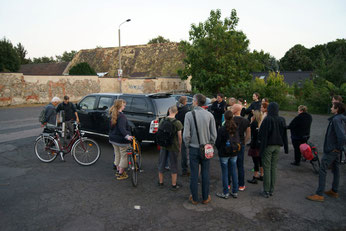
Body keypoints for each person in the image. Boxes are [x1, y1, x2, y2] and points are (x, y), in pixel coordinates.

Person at [307, 102, 346, 202]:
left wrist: (337, 147)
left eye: (333, 107)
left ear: (337, 109)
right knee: (336, 169)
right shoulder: (341, 118)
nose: (331, 108)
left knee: (322, 169)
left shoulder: (336, 119)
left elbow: (341, 136)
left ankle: (319, 194)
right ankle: (334, 190)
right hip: (335, 150)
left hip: (331, 150)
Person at [183, 94, 217, 205]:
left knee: (194, 174)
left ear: (196, 102)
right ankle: (205, 197)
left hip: (193, 147)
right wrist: (210, 144)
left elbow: (186, 135)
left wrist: (188, 145)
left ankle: (194, 198)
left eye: (193, 100)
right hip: (206, 148)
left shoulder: (189, 115)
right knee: (205, 173)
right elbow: (214, 134)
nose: (192, 101)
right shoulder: (209, 115)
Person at [258, 102, 288, 198]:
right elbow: (284, 134)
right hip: (278, 146)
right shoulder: (281, 119)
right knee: (274, 167)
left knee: (266, 168)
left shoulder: (268, 119)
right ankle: (271, 189)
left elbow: (261, 133)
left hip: (268, 146)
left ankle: (266, 190)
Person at [158, 105, 183, 190]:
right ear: (177, 112)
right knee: (173, 165)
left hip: (163, 145)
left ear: (169, 110)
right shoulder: (177, 123)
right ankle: (173, 185)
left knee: (162, 163)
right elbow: (179, 137)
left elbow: (160, 131)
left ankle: (161, 182)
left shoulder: (162, 120)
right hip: (173, 146)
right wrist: (180, 146)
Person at [215, 110, 239, 199]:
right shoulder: (235, 127)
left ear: (224, 117)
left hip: (224, 153)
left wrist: (219, 149)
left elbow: (218, 142)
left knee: (225, 173)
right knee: (233, 171)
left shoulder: (222, 129)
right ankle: (235, 191)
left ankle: (225, 192)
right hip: (234, 152)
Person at [109, 99, 133, 180]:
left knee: (117, 154)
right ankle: (121, 173)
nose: (124, 106)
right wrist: (127, 136)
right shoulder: (122, 116)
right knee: (124, 155)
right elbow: (122, 128)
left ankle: (118, 170)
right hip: (120, 140)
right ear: (120, 106)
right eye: (124, 105)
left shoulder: (113, 114)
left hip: (113, 138)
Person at [231, 104, 250, 191]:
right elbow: (248, 134)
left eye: (232, 108)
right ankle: (241, 185)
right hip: (241, 144)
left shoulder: (230, 119)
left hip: (232, 144)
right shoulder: (246, 121)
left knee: (230, 164)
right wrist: (244, 142)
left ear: (235, 110)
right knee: (240, 165)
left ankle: (228, 184)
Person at [175, 96, 190, 176]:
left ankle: (171, 166)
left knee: (173, 149)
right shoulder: (186, 110)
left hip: (174, 131)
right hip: (183, 131)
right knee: (184, 151)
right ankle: (184, 169)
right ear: (185, 102)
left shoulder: (175, 108)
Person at [247, 110, 263, 184]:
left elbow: (251, 133)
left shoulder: (254, 123)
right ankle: (261, 175)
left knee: (255, 161)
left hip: (254, 144)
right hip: (261, 144)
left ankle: (255, 176)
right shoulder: (262, 123)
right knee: (260, 160)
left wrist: (251, 122)